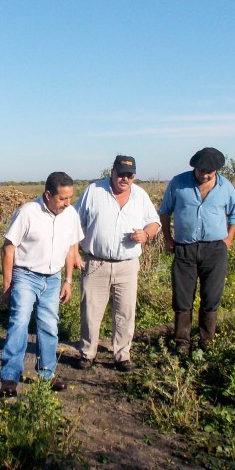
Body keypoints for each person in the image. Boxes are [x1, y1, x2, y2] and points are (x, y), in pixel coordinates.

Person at [0, 171, 84, 396]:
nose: (67, 203)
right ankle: (9, 377)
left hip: (53, 279)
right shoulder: (28, 213)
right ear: (48, 195)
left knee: (49, 326)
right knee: (19, 323)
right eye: (62, 199)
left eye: (70, 198)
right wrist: (7, 285)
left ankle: (47, 374)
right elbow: (8, 248)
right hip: (26, 275)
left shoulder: (71, 214)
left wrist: (68, 280)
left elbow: (70, 248)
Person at [74, 155, 161, 372]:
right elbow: (74, 223)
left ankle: (122, 356)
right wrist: (74, 253)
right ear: (111, 172)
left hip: (127, 265)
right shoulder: (93, 191)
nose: (124, 178)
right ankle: (87, 354)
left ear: (134, 176)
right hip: (96, 263)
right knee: (90, 311)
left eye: (129, 175)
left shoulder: (140, 195)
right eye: (120, 173)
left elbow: (154, 222)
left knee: (125, 311)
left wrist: (146, 235)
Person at [158, 147, 235, 351]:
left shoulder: (226, 187)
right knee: (182, 297)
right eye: (201, 171)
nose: (204, 175)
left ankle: (206, 343)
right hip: (184, 248)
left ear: (216, 171)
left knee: (211, 296)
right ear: (194, 167)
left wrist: (228, 240)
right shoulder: (179, 183)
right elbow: (164, 211)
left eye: (209, 173)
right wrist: (168, 239)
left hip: (215, 250)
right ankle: (182, 343)